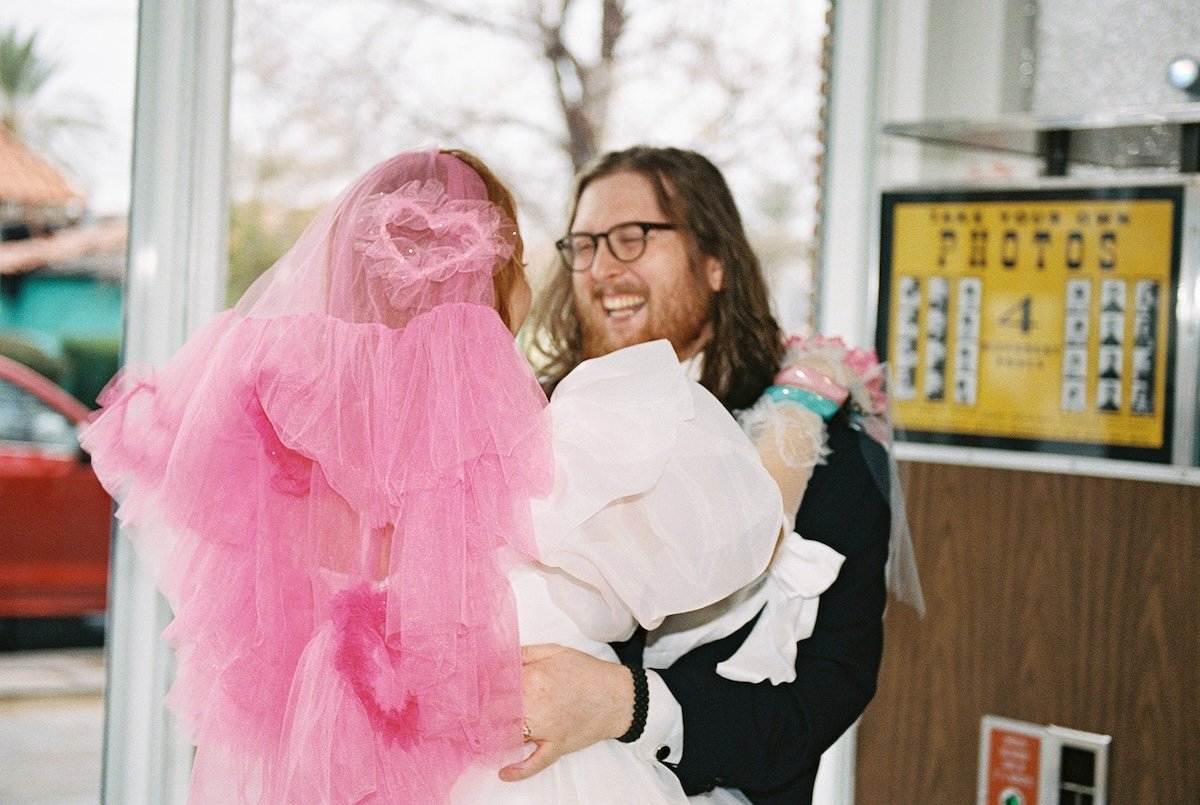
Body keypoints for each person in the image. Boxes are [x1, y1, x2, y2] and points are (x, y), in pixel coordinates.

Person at [80, 148, 839, 803]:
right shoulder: (564, 451)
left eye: (633, 238)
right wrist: (800, 408)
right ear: (497, 283)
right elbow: (748, 527)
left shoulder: (292, 473)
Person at [513, 146, 923, 804]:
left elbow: (826, 693)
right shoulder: (530, 425)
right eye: (584, 245)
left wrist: (630, 705)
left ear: (715, 261)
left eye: (632, 238)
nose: (601, 268)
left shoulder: (820, 446)